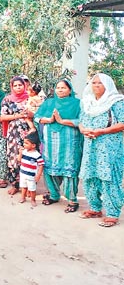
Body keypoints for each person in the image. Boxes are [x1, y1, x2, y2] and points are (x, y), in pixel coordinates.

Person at [78, 73, 124, 228]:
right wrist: (84, 130)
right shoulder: (87, 102)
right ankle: (95, 208)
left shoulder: (116, 102)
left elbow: (122, 123)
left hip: (109, 146)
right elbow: (81, 121)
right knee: (89, 176)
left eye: (100, 83)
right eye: (94, 82)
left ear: (107, 85)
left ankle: (112, 213)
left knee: (108, 177)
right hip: (90, 144)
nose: (96, 85)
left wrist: (102, 131)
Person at [34, 79, 83, 213]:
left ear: (70, 90)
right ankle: (54, 195)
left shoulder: (77, 104)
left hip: (69, 141)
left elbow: (82, 121)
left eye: (63, 88)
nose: (60, 90)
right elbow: (37, 117)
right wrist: (49, 120)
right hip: (50, 141)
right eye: (58, 87)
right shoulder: (49, 103)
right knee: (50, 167)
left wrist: (62, 121)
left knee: (69, 168)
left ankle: (72, 199)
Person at [1, 76, 31, 194]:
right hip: (13, 133)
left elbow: (37, 113)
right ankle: (15, 185)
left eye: (20, 85)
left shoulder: (30, 98)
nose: (18, 88)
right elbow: (3, 116)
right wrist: (17, 116)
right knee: (13, 158)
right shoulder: (7, 100)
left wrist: (30, 113)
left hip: (28, 131)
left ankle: (28, 187)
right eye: (15, 86)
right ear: (12, 87)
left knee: (28, 158)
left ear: (24, 86)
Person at [17, 131, 44, 207]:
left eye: (26, 143)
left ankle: (33, 200)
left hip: (31, 176)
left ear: (33, 145)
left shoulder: (37, 155)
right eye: (24, 143)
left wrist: (38, 175)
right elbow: (19, 160)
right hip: (23, 174)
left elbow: (41, 165)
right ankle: (23, 197)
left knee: (32, 189)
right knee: (23, 187)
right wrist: (20, 153)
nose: (24, 145)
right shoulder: (24, 152)